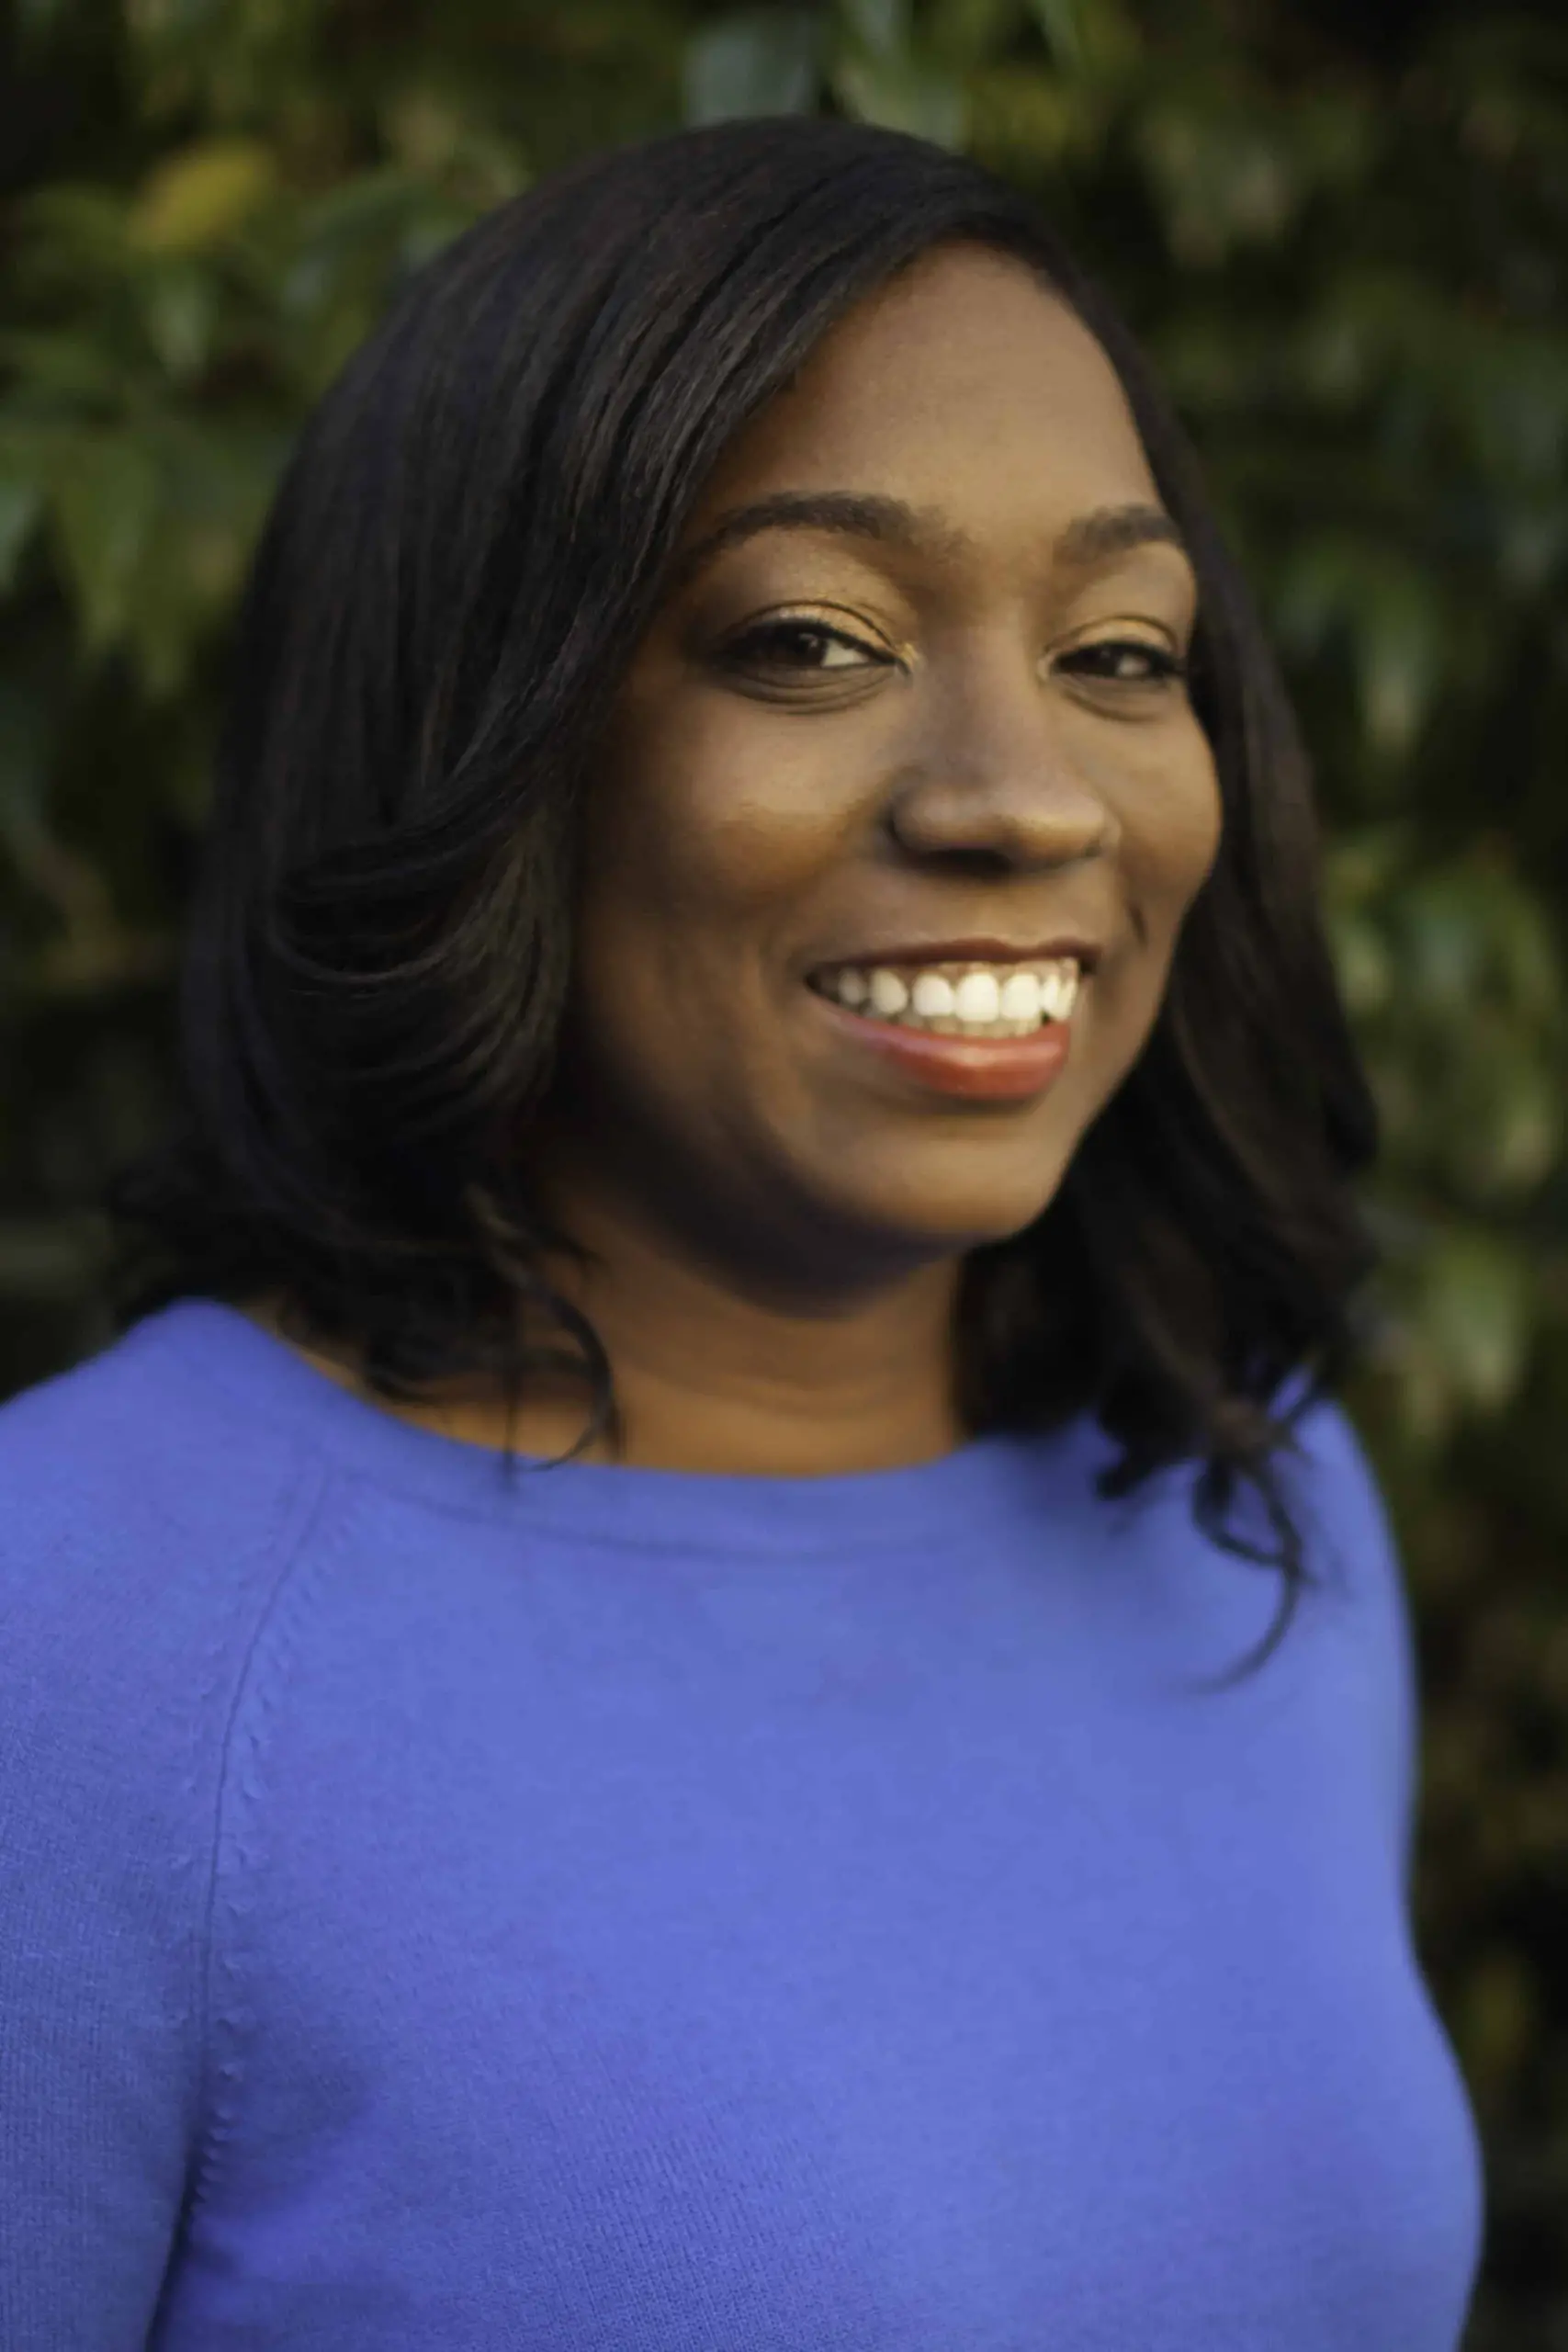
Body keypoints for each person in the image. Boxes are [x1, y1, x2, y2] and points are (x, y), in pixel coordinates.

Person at [0, 117, 1484, 2349]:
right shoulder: (82, 1633)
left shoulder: (1249, 1490)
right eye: (811, 638)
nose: (1021, 794)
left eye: (1115, 650)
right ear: (482, 736)